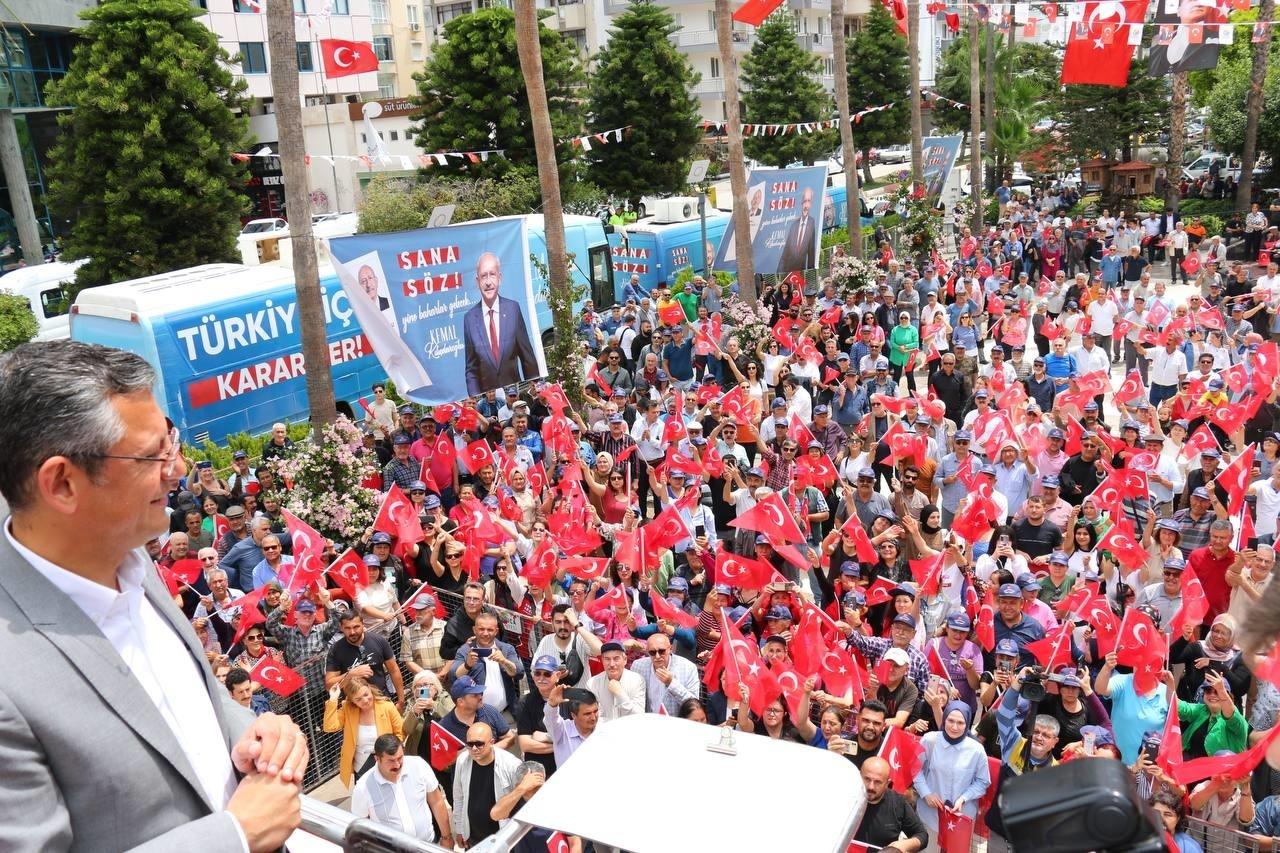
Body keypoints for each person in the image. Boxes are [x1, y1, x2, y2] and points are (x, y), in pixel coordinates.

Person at [0, 340, 306, 851]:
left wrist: (251, 733)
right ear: (62, 484)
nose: (179, 468)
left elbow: (186, 701)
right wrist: (234, 836)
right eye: (151, 456)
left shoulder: (129, 553)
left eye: (172, 442)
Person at [350, 733, 453, 848]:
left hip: (428, 846)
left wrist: (447, 837)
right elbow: (360, 826)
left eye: (400, 758)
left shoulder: (419, 766)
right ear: (377, 759)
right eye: (391, 761)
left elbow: (437, 802)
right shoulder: (363, 787)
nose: (397, 764)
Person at [914, 701, 990, 851]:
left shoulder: (976, 750)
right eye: (950, 720)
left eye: (960, 722)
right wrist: (926, 794)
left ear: (968, 723)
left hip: (961, 817)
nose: (954, 727)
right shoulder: (930, 740)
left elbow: (982, 781)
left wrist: (964, 798)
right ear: (944, 719)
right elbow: (915, 769)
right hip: (930, 813)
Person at [463, 252, 540, 395]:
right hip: (488, 399)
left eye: (492, 274)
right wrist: (475, 398)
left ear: (500, 277)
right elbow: (471, 370)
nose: (488, 282)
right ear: (477, 281)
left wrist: (536, 388)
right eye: (483, 276)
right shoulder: (469, 319)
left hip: (514, 394)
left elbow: (527, 357)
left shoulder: (513, 309)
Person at [323, 675, 404, 789]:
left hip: (387, 764)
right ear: (352, 701)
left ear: (370, 689)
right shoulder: (348, 709)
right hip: (361, 767)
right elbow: (330, 726)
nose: (365, 700)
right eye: (358, 699)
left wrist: (391, 755)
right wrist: (333, 699)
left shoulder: (387, 706)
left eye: (366, 694)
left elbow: (400, 733)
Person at [451, 722, 522, 848]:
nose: (474, 748)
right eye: (469, 744)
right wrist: (460, 830)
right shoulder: (462, 761)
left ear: (492, 742)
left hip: (502, 839)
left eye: (479, 744)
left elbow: (520, 803)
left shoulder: (511, 765)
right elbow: (459, 797)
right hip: (473, 838)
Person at [325, 609, 405, 709]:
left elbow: (394, 670)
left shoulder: (378, 640)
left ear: (363, 624)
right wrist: (350, 675)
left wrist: (401, 700)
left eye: (356, 627)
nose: (352, 632)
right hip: (354, 706)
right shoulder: (336, 650)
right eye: (347, 628)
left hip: (381, 701)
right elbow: (329, 685)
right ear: (341, 628)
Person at [853, 756, 929, 852]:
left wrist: (905, 845)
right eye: (867, 779)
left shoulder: (897, 803)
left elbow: (922, 835)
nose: (870, 787)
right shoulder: (844, 796)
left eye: (878, 782)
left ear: (887, 783)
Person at [630, 633, 701, 715]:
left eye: (661, 651)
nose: (657, 656)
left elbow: (695, 706)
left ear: (670, 649)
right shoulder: (638, 666)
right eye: (652, 652)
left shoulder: (688, 668)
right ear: (647, 651)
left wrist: (671, 683)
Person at [586, 640, 646, 722]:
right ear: (602, 661)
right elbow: (595, 718)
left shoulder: (637, 680)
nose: (612, 664)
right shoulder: (592, 683)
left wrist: (620, 694)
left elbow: (639, 716)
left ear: (625, 660)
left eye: (616, 659)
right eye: (607, 659)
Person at [777, 187, 818, 274]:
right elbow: (785, 252)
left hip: (800, 271)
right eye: (804, 201)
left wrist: (811, 274)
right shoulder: (794, 225)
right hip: (786, 270)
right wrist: (779, 273)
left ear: (811, 204)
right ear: (801, 203)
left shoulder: (812, 223)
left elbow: (811, 252)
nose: (806, 205)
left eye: (809, 201)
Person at [1153, 788, 1205, 853]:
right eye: (1155, 813)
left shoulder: (1190, 848)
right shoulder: (1139, 839)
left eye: (1167, 814)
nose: (1160, 819)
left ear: (1178, 818)